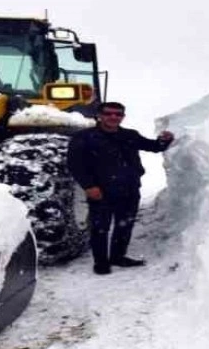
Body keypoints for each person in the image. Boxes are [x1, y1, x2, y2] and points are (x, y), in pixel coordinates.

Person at [67, 102, 174, 275]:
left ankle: (118, 256)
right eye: (109, 114)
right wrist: (89, 186)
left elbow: (153, 147)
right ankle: (101, 263)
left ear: (123, 117)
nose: (113, 117)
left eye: (118, 114)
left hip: (129, 188)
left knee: (124, 225)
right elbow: (75, 164)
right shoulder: (84, 137)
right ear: (99, 116)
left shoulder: (129, 135)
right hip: (101, 191)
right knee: (100, 228)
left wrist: (165, 140)